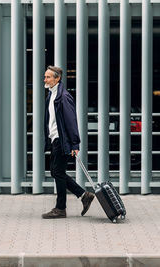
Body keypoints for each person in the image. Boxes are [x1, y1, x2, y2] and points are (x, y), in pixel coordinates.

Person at [41, 65, 95, 219]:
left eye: (48, 77)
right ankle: (84, 195)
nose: (45, 79)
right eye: (45, 76)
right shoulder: (51, 95)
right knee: (55, 171)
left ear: (57, 78)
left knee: (57, 172)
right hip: (54, 139)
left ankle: (60, 208)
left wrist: (74, 144)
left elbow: (71, 121)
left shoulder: (63, 97)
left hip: (62, 140)